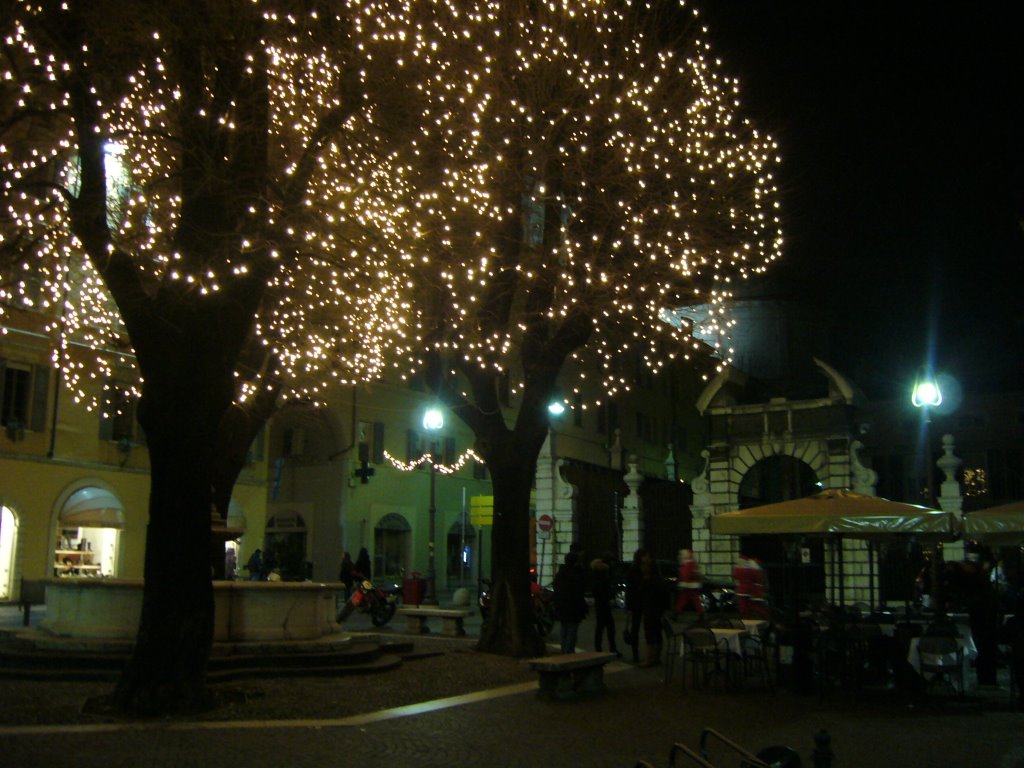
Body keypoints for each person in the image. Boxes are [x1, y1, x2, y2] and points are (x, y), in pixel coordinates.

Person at [554, 551, 588, 653]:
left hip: (562, 606)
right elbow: (579, 592)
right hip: (573, 607)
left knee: (564, 629)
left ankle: (564, 650)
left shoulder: (560, 574)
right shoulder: (575, 574)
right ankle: (568, 651)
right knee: (571, 631)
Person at [590, 554, 619, 656]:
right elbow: (605, 590)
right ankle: (611, 648)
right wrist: (610, 593)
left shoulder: (595, 577)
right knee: (609, 627)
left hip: (600, 604)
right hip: (604, 604)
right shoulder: (603, 577)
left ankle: (599, 648)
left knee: (601, 627)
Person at [674, 548, 704, 617]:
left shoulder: (687, 564)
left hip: (688, 585)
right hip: (691, 585)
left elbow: (685, 575)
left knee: (683, 600)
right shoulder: (691, 563)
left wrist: (681, 583)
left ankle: (676, 614)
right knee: (692, 601)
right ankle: (700, 614)